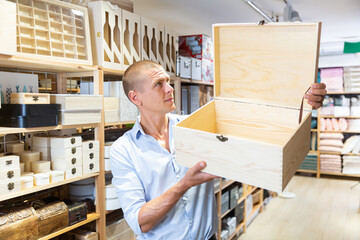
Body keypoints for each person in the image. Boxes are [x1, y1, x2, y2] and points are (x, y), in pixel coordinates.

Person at [110, 60, 327, 240]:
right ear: (135, 98)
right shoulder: (123, 150)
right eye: (159, 84)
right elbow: (140, 222)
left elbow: (252, 122)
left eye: (168, 81)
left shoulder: (195, 127)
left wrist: (303, 103)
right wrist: (185, 184)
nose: (170, 89)